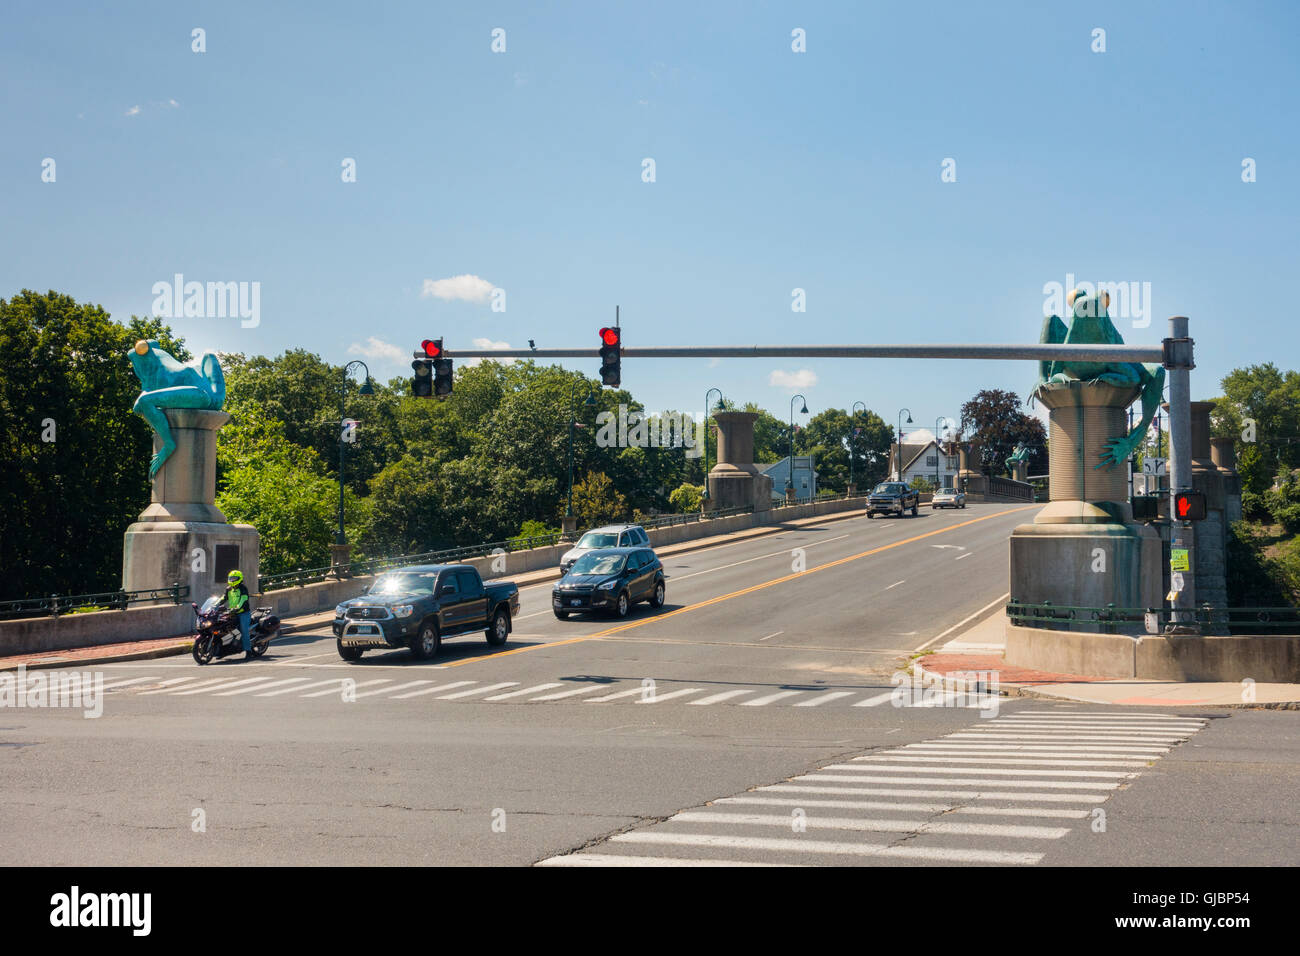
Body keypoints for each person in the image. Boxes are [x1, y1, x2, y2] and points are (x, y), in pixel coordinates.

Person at [223, 570, 252, 657]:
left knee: (244, 630)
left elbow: (243, 600)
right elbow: (223, 598)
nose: (232, 580)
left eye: (234, 578)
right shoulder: (228, 589)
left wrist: (237, 608)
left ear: (240, 579)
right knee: (225, 628)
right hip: (232, 613)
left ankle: (248, 650)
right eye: (231, 578)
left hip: (243, 613)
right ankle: (225, 649)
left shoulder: (243, 588)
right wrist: (214, 605)